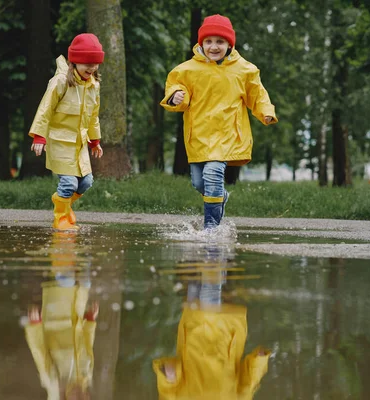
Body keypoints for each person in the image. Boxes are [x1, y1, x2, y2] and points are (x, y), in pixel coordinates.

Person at [160, 14, 278, 230]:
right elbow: (176, 87)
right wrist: (177, 95)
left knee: (213, 174)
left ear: (229, 44)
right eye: (209, 41)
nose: (214, 47)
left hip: (227, 134)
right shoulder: (187, 69)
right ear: (201, 43)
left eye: (220, 42)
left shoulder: (245, 70)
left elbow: (257, 94)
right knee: (199, 183)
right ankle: (220, 197)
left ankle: (211, 229)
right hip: (198, 135)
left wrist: (266, 111)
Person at [153, 243, 271, 399]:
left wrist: (168, 375)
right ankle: (214, 243)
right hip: (222, 338)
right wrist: (259, 360)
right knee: (211, 285)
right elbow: (248, 384)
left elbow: (168, 391)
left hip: (193, 331)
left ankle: (201, 243)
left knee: (195, 282)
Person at [29, 33, 105, 231]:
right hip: (60, 141)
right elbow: (45, 108)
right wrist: (39, 136)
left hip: (79, 143)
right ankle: (61, 218)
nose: (92, 68)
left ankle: (62, 203)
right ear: (75, 61)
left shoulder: (93, 86)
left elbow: (93, 115)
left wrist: (95, 141)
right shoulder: (60, 82)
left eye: (95, 63)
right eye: (87, 63)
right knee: (69, 183)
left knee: (86, 182)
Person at [25, 231, 98, 399]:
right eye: (85, 398)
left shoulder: (54, 381)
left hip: (56, 316)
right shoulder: (86, 377)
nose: (83, 396)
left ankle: (62, 236)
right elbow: (88, 345)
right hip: (77, 311)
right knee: (85, 276)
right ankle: (79, 237)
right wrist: (90, 321)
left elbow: (39, 352)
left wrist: (34, 325)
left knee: (66, 279)